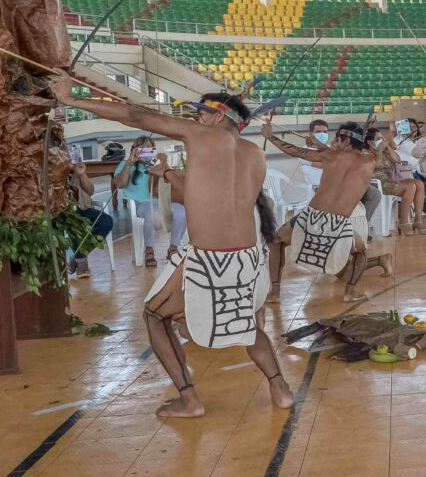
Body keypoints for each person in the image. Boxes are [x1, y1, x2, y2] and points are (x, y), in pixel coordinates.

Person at [54, 79, 292, 417]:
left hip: (209, 257)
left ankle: (189, 399)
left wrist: (71, 100)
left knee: (154, 316)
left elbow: (135, 115)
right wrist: (168, 173)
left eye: (200, 112)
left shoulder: (202, 135)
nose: (195, 118)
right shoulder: (254, 153)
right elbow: (209, 196)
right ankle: (280, 388)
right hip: (247, 257)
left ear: (218, 115)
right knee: (244, 323)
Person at [263, 121, 386, 303]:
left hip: (310, 219)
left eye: (338, 139)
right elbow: (379, 163)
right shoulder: (369, 161)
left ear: (345, 141)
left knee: (276, 241)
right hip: (338, 225)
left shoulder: (329, 156)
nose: (335, 142)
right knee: (360, 252)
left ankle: (275, 292)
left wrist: (270, 137)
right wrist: (379, 150)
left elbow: (295, 151)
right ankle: (350, 292)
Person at [370, 126, 426, 235]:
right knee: (410, 186)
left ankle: (418, 219)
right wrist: (379, 150)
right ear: (369, 142)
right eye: (378, 138)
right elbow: (376, 165)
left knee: (419, 184)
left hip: (393, 179)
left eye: (382, 138)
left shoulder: (385, 150)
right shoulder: (367, 153)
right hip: (379, 183)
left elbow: (397, 159)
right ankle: (403, 221)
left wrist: (387, 146)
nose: (381, 140)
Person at [112, 136, 159, 266]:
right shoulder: (125, 164)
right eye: (142, 148)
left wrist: (158, 167)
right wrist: (129, 163)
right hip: (140, 203)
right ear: (134, 149)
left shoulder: (156, 164)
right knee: (149, 213)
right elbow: (119, 184)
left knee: (181, 211)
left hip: (158, 202)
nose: (145, 151)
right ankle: (149, 249)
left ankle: (174, 247)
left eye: (149, 148)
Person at [69, 159, 113, 279]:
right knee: (74, 222)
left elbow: (90, 191)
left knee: (106, 221)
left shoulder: (75, 170)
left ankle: (79, 256)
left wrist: (82, 174)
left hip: (84, 208)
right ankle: (81, 264)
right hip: (65, 210)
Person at [300, 119, 328, 188]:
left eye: (325, 132)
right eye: (318, 132)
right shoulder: (303, 151)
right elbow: (325, 165)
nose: (322, 134)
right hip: (316, 187)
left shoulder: (331, 148)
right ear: (310, 133)